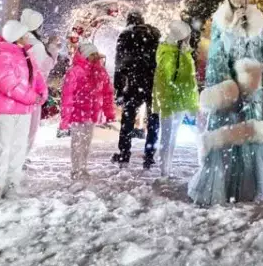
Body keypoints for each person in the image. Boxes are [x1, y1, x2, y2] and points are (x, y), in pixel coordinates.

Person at [188, 0, 263, 206]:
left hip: (253, 91)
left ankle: (248, 187)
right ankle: (225, 184)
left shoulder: (257, 20)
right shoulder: (220, 22)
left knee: (250, 135)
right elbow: (217, 56)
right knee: (228, 134)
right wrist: (231, 30)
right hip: (232, 88)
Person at [0, 19, 46, 199]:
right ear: (17, 37)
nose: (28, 37)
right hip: (4, 108)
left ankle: (12, 182)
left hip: (23, 109)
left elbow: (37, 75)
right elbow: (7, 84)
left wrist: (42, 91)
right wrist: (32, 97)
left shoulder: (26, 54)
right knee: (3, 146)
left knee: (18, 146)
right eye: (25, 35)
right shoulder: (3, 55)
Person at [61, 39, 116, 180]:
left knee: (86, 142)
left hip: (92, 113)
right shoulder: (75, 72)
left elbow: (107, 93)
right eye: (92, 54)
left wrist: (109, 112)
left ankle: (83, 167)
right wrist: (65, 119)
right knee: (77, 142)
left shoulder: (100, 72)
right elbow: (67, 97)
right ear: (85, 55)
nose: (95, 57)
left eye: (95, 54)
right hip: (77, 113)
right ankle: (76, 169)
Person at [112, 9, 161, 168]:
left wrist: (119, 89)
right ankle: (149, 155)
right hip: (153, 82)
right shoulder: (154, 35)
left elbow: (120, 65)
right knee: (153, 118)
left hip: (134, 82)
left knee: (128, 119)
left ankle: (124, 154)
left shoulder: (126, 36)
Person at [152, 19, 198, 179]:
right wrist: (166, 103)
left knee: (172, 137)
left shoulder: (182, 53)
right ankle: (164, 169)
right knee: (167, 136)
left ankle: (167, 168)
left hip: (179, 101)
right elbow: (163, 81)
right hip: (171, 103)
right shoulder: (169, 54)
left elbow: (189, 80)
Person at [19, 8, 61, 156]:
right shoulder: (36, 44)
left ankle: (17, 155)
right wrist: (53, 48)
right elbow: (45, 66)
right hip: (33, 89)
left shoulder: (19, 39)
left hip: (19, 88)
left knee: (19, 124)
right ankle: (22, 156)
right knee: (31, 125)